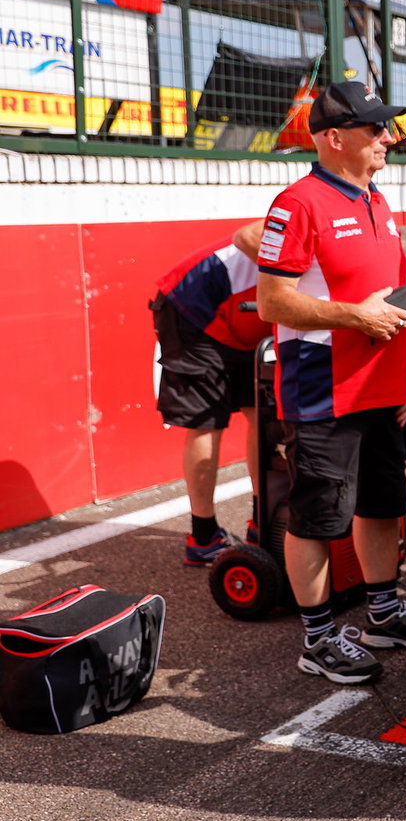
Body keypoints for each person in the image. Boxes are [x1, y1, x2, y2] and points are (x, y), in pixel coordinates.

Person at [254, 80, 406, 686]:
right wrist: (355, 317)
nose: (387, 137)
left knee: (382, 506)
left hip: (381, 390)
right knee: (316, 518)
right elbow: (272, 302)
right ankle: (318, 637)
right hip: (323, 392)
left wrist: (404, 381)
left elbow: (392, 300)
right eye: (374, 128)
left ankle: (383, 612)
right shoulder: (297, 203)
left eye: (387, 126)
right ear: (333, 138)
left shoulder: (377, 200)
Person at [152, 221, 270, 565]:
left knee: (263, 415)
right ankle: (203, 536)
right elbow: (248, 236)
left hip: (245, 319)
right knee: (207, 423)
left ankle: (263, 521)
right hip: (193, 306)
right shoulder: (313, 211)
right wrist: (293, 276)